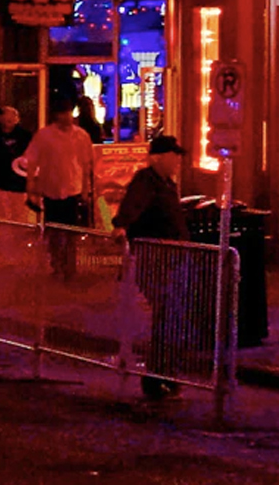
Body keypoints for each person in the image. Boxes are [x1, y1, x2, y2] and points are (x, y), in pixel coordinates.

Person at [114, 135, 189, 398]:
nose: (178, 160)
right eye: (173, 155)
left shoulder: (166, 183)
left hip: (171, 258)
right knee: (167, 314)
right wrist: (121, 225)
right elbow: (132, 205)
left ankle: (165, 373)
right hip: (155, 259)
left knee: (170, 316)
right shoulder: (147, 181)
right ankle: (157, 376)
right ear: (158, 157)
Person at [24, 105, 95, 228]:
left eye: (69, 113)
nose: (68, 117)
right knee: (52, 227)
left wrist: (85, 189)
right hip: (50, 188)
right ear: (57, 115)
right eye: (64, 113)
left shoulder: (81, 136)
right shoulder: (44, 135)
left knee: (72, 228)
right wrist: (31, 186)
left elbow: (86, 163)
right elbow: (32, 161)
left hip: (73, 189)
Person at [0, 106, 32, 223]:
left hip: (18, 183)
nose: (8, 121)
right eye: (5, 118)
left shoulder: (24, 135)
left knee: (20, 219)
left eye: (12, 118)